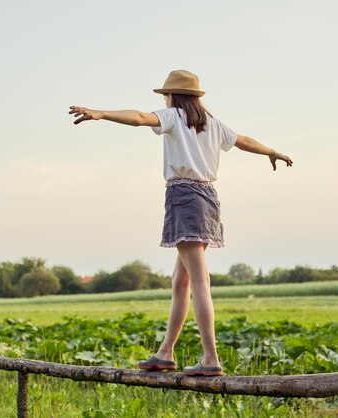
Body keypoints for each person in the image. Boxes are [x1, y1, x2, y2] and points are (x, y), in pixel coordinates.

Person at [69, 69, 293, 376]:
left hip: (184, 195)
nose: (164, 98)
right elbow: (243, 141)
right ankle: (165, 353)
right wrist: (271, 151)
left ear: (174, 96)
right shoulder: (212, 124)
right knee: (181, 281)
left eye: (165, 94)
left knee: (199, 281)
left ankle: (211, 359)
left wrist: (101, 113)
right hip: (208, 198)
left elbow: (139, 117)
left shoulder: (174, 116)